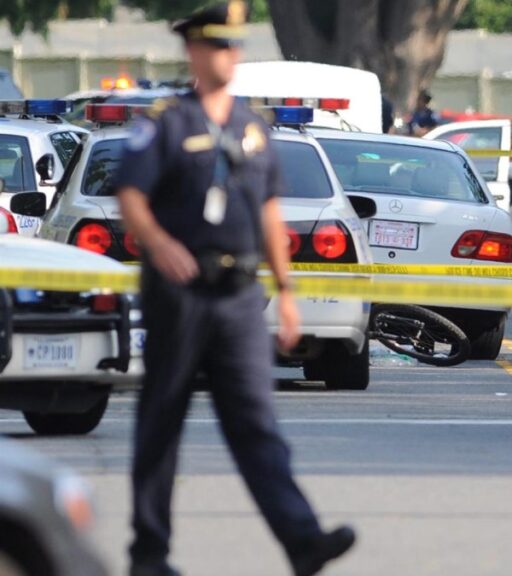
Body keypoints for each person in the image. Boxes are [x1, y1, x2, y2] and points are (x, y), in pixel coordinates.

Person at [115, 3, 356, 575]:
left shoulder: (253, 127)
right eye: (215, 46)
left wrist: (288, 291)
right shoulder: (165, 121)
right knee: (162, 420)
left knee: (256, 421)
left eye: (234, 47)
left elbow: (270, 212)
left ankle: (303, 541)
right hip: (181, 291)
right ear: (193, 52)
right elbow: (130, 195)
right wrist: (157, 241)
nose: (227, 56)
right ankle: (149, 555)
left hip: (240, 294)